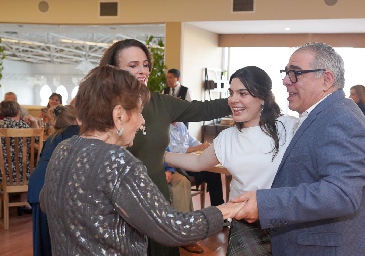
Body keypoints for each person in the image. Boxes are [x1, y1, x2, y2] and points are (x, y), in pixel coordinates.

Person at [39, 65, 243, 255]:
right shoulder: (118, 161)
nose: (143, 121)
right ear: (118, 115)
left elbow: (46, 202)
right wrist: (229, 209)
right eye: (138, 112)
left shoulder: (64, 149)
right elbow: (175, 229)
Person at [230, 42, 365, 255]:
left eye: (295, 73)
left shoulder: (339, 118)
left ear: (326, 80)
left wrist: (265, 203)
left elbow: (341, 193)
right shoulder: (325, 115)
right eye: (286, 73)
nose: (285, 81)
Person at [99, 39, 231, 256]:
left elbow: (203, 109)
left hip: (156, 193)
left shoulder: (160, 103)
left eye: (145, 64)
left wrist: (240, 97)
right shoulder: (103, 107)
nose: (142, 71)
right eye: (133, 66)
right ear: (114, 71)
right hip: (119, 198)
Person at [164, 66, 299, 255]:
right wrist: (161, 155)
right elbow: (197, 163)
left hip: (286, 222)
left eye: (242, 93)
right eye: (231, 93)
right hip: (245, 223)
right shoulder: (227, 137)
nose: (233, 100)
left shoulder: (289, 127)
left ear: (262, 98)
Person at [27, 105, 79, 256]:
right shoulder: (75, 133)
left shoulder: (53, 137)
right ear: (77, 119)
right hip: (52, 188)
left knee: (41, 242)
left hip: (37, 186)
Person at [168, 121, 224, 207]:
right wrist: (196, 148)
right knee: (210, 173)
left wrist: (203, 146)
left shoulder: (181, 125)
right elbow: (173, 150)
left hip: (190, 162)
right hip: (178, 165)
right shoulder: (165, 128)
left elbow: (192, 141)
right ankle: (218, 206)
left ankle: (218, 207)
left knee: (214, 173)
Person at [0, 100, 39, 215]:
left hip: (2, 173)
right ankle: (24, 202)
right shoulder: (24, 126)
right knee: (30, 167)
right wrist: (35, 124)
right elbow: (36, 145)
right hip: (22, 174)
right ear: (18, 111)